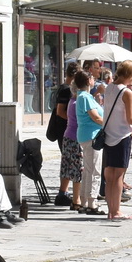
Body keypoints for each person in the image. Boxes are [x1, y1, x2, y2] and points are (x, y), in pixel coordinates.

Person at [100, 61, 132, 221]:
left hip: (108, 136)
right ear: (129, 75)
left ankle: (110, 211)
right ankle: (117, 211)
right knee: (119, 176)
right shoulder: (126, 92)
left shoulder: (109, 88)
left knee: (109, 176)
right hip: (121, 137)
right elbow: (131, 119)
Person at [74, 70, 104, 214]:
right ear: (88, 81)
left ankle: (85, 200)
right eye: (92, 78)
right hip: (92, 136)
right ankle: (92, 202)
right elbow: (96, 117)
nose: (94, 80)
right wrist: (109, 124)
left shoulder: (85, 96)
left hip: (87, 135)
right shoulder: (84, 97)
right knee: (95, 170)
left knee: (88, 169)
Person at [51, 65, 80, 207]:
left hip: (67, 129)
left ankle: (64, 193)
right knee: (71, 162)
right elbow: (60, 111)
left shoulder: (67, 88)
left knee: (68, 162)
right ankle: (65, 194)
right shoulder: (65, 89)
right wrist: (73, 119)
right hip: (65, 130)